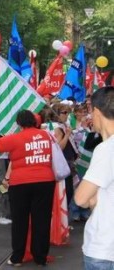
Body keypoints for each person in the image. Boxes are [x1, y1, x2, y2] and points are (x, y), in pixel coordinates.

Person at [0, 110, 55, 266]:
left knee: (20, 221)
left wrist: (2, 135)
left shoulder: (15, 138)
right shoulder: (46, 135)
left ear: (18, 123)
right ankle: (40, 257)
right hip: (45, 181)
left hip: (21, 184)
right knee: (42, 220)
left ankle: (17, 257)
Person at [75, 87, 114, 269]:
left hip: (105, 248)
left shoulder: (107, 150)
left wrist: (92, 199)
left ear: (97, 111)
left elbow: (81, 198)